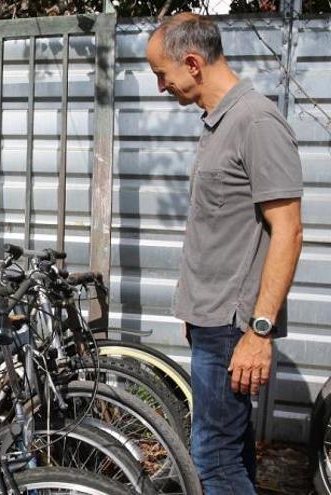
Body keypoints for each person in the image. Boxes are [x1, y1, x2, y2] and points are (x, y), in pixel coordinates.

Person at [146, 13, 303, 494]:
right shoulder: (220, 123)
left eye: (162, 74)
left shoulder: (256, 122)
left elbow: (289, 230)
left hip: (232, 328)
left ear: (192, 63)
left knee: (213, 460)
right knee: (229, 454)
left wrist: (258, 332)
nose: (160, 87)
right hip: (211, 322)